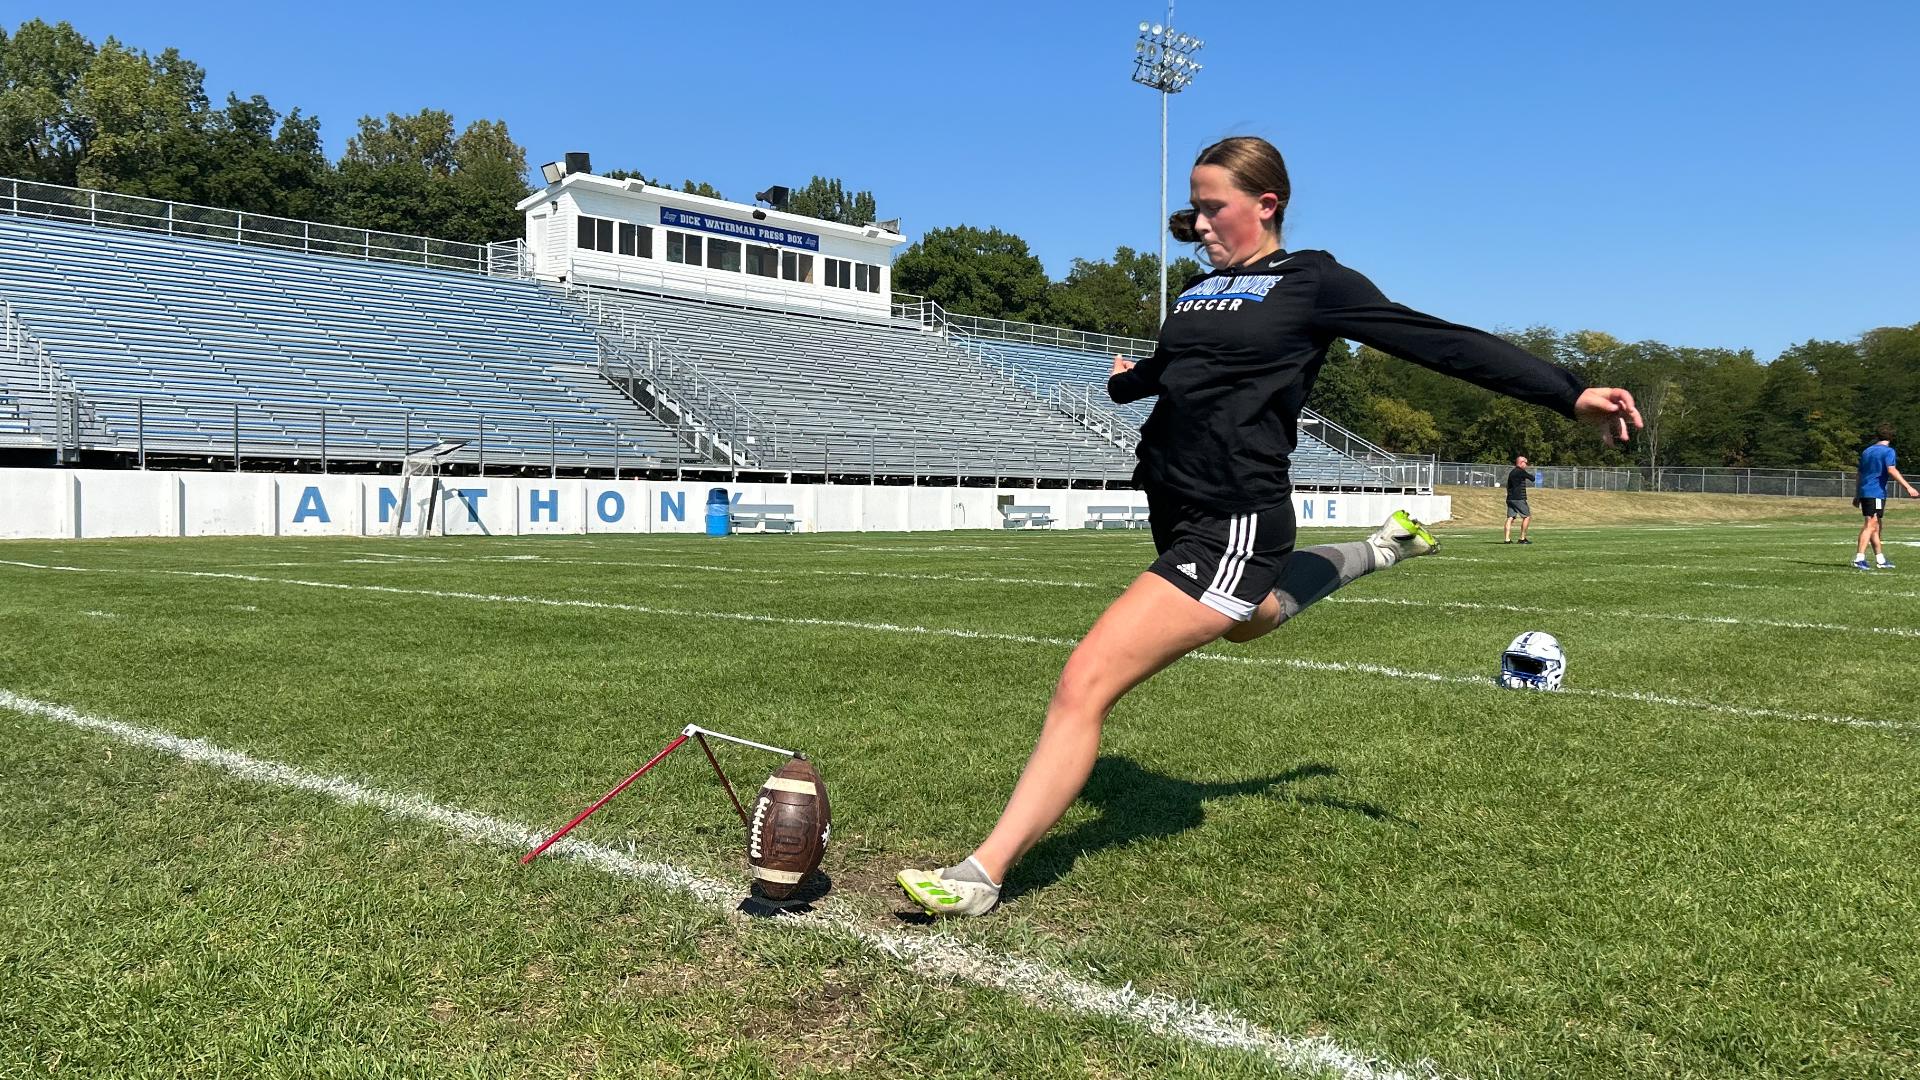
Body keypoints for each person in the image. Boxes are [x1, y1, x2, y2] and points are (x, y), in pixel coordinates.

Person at [896, 136, 1642, 917]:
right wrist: (1127, 388)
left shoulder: (1312, 281)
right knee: (1251, 620)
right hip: (1174, 505)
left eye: (1214, 205)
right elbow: (1172, 371)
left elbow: (1436, 340)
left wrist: (1570, 392)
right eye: (1195, 206)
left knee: (1084, 683)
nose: (1200, 220)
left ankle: (981, 874)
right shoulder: (1194, 290)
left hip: (1235, 517)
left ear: (1266, 203)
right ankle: (1381, 547)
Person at [1854, 425, 1918, 570]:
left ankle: (1880, 559)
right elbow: (1891, 469)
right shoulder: (1888, 451)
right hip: (1875, 492)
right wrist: (1908, 487)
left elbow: (1859, 474)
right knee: (1871, 524)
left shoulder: (1867, 451)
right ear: (1891, 437)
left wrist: (1858, 494)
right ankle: (1859, 558)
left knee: (1876, 525)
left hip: (1866, 491)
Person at [1503, 456, 1535, 543]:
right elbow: (1532, 478)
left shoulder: (1512, 472)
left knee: (1510, 517)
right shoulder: (1520, 471)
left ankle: (1507, 539)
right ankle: (1522, 538)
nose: (1526, 465)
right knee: (1527, 517)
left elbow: (1508, 486)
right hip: (1519, 498)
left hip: (1510, 498)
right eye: (1526, 463)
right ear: (1521, 463)